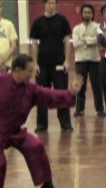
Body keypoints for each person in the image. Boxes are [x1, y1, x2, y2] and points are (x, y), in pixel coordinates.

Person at [0, 54, 83, 188]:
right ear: (17, 70)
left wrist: (70, 93)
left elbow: (49, 96)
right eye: (29, 71)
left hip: (15, 131)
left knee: (36, 146)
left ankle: (47, 184)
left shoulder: (30, 89)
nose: (32, 74)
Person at [30, 0, 73, 132]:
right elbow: (34, 44)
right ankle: (42, 124)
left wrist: (67, 60)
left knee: (61, 93)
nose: (51, 5)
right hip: (42, 64)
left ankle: (65, 123)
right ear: (44, 4)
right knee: (41, 95)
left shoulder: (62, 20)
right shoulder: (37, 22)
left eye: (54, 3)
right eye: (49, 3)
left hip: (59, 64)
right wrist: (35, 63)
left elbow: (67, 42)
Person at [72, 3, 105, 117]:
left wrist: (85, 40)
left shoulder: (98, 27)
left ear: (93, 14)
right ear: (81, 14)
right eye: (85, 12)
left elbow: (100, 39)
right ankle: (79, 109)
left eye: (89, 12)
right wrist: (91, 40)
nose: (87, 14)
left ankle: (100, 109)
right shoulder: (76, 28)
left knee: (97, 86)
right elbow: (75, 44)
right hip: (80, 60)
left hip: (94, 60)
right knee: (81, 85)